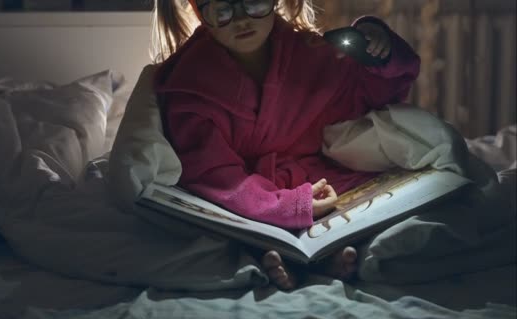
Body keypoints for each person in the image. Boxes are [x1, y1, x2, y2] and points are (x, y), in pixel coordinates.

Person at [152, 0, 420, 290]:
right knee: (225, 227)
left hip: (320, 180)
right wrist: (288, 206)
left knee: (387, 205)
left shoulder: (308, 54)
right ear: (198, 11)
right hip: (247, 193)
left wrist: (378, 51)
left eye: (254, 3)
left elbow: (368, 98)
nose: (242, 20)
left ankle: (329, 253)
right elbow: (212, 173)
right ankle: (278, 255)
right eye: (222, 9)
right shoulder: (190, 83)